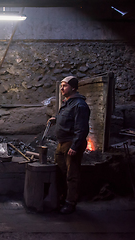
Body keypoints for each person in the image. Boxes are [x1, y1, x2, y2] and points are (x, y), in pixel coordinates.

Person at [48, 76, 90, 214]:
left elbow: (82, 128)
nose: (62, 88)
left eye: (65, 85)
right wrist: (56, 119)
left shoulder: (80, 105)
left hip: (71, 143)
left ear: (73, 88)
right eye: (61, 85)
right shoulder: (67, 103)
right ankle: (61, 198)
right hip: (61, 143)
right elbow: (68, 119)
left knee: (72, 175)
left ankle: (70, 203)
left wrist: (75, 146)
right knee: (60, 172)